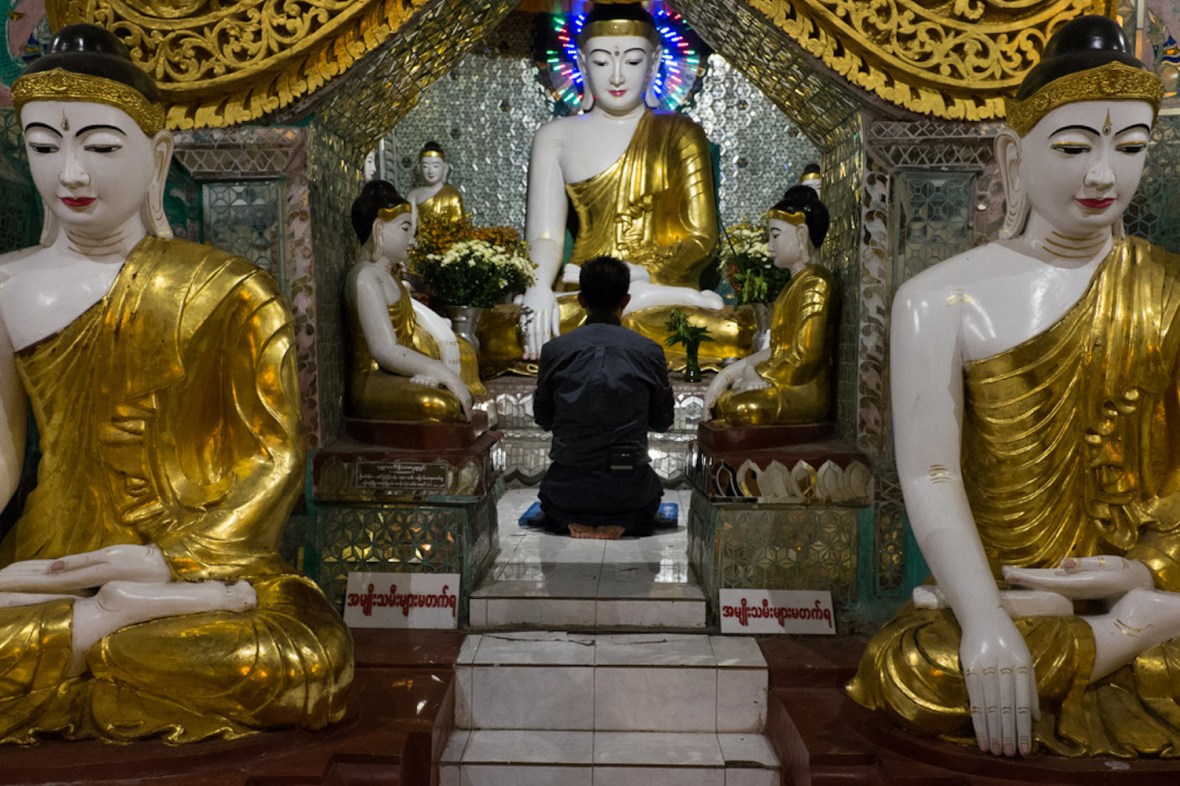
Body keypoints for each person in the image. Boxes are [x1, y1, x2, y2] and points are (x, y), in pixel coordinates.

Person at [0, 24, 352, 743]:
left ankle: (84, 654)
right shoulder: (4, 285)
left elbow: (270, 462)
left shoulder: (228, 291)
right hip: (51, 566)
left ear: (157, 156)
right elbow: (3, 455)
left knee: (298, 663)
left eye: (100, 147)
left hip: (195, 570)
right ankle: (101, 629)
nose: (70, 175)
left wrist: (171, 558)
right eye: (44, 147)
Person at [846, 15, 1180, 759]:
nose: (1103, 176)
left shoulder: (1167, 291)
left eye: (1130, 149)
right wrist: (986, 619)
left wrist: (1139, 570)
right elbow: (931, 472)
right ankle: (1122, 632)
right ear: (1012, 153)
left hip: (1136, 576)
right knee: (919, 668)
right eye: (1073, 148)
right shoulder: (938, 298)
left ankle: (1137, 620)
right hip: (1000, 593)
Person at [517, 0, 751, 364]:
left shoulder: (680, 133)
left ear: (654, 62)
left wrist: (638, 272)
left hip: (658, 289)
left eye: (632, 60)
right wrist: (536, 289)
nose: (616, 76)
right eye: (600, 61)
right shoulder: (555, 136)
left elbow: (701, 238)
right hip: (581, 293)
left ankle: (636, 308)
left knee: (731, 333)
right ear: (581, 62)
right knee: (507, 328)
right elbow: (545, 236)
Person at [533, 256, 674, 539]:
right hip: (629, 492)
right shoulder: (649, 351)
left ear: (581, 300)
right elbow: (662, 422)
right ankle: (626, 523)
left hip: (568, 491)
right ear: (626, 300)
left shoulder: (555, 350)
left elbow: (543, 419)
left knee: (550, 497)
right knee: (650, 495)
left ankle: (569, 521)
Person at [344, 180, 483, 422]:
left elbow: (409, 339)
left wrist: (428, 370)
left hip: (397, 373)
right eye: (405, 229)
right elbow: (384, 350)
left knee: (454, 394)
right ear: (379, 230)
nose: (413, 240)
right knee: (442, 405)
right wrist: (439, 370)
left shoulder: (391, 278)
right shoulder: (365, 277)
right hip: (373, 380)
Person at [705, 185, 838, 425]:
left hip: (802, 389)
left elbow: (804, 358)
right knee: (725, 402)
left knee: (742, 408)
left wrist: (758, 375)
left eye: (775, 236)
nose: (769, 246)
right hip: (780, 381)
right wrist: (730, 373)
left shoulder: (816, 282)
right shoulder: (795, 284)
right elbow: (778, 350)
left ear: (800, 234)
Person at [406, 141, 464, 225]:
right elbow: (410, 227)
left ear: (445, 168)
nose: (430, 171)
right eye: (425, 166)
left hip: (447, 237)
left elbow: (459, 226)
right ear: (419, 168)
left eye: (435, 166)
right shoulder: (413, 195)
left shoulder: (452, 195)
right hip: (420, 237)